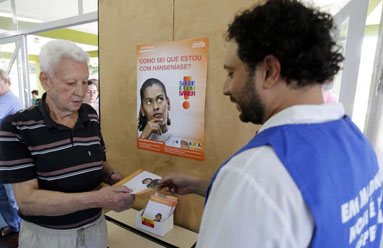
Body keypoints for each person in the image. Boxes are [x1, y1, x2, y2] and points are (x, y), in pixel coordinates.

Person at [159, 1, 383, 247]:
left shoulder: (253, 173)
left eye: (232, 72)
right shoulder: (358, 144)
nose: (226, 88)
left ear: (269, 71)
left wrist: (232, 184)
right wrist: (207, 186)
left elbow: (262, 192)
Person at [0, 39, 135, 248]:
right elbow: (27, 202)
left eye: (84, 82)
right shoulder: (16, 126)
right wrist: (98, 199)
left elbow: (96, 161)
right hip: (48, 238)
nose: (81, 92)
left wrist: (113, 176)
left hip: (95, 229)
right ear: (45, 80)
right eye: (71, 83)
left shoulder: (90, 115)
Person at [0, 69, 22, 237]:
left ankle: (22, 229)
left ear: (5, 81)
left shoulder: (9, 100)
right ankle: (14, 226)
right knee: (2, 196)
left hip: (9, 158)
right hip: (2, 157)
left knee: (13, 197)